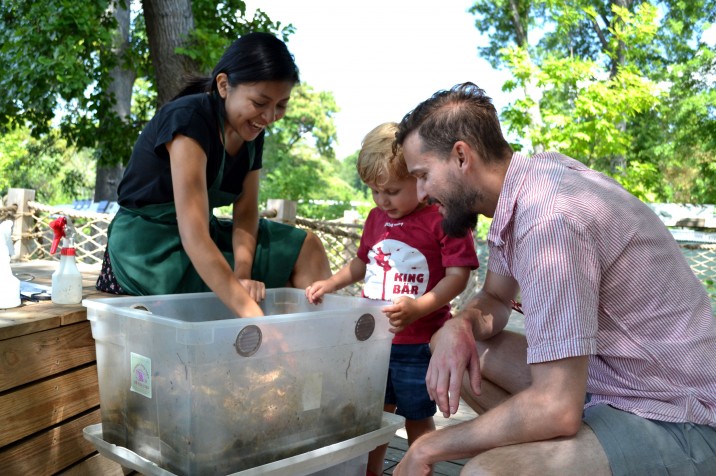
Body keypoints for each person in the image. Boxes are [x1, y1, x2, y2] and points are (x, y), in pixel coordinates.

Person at [392, 82, 716, 475]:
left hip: (679, 414)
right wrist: (460, 324)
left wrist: (429, 446)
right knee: (455, 349)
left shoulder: (548, 219)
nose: (421, 192)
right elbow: (494, 297)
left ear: (461, 156)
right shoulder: (528, 185)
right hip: (610, 381)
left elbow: (556, 406)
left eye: (423, 175)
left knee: (484, 472)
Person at [96, 32, 332, 317]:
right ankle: (274, 351)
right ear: (223, 85)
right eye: (260, 103)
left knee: (307, 247)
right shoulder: (188, 120)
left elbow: (245, 216)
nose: (269, 117)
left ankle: (320, 351)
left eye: (280, 105)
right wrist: (252, 315)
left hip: (202, 235)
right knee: (255, 300)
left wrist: (242, 274)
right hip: (150, 250)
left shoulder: (252, 134)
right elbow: (194, 235)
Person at [305, 122, 480, 476]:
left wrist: (420, 307)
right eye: (374, 191)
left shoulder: (442, 218)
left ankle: (419, 468)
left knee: (417, 416)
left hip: (419, 344)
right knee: (374, 418)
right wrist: (330, 283)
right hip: (373, 341)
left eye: (392, 191)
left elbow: (458, 276)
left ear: (419, 180)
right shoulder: (376, 218)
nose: (382, 200)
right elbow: (360, 263)